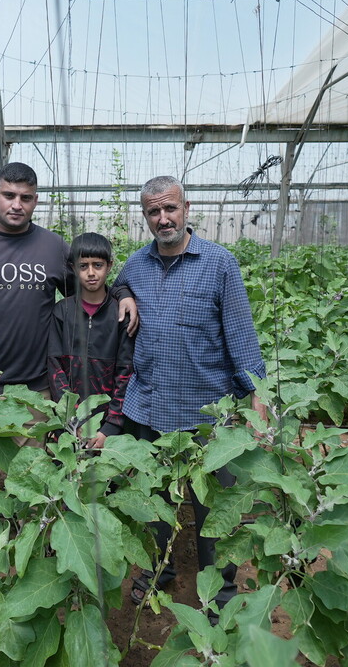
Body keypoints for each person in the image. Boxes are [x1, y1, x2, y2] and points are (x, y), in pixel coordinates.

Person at [115, 175, 267, 620]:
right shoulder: (136, 265)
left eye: (170, 209)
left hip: (208, 414)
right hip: (150, 406)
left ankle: (219, 594)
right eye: (153, 212)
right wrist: (124, 294)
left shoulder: (220, 264)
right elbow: (115, 286)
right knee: (154, 501)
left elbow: (242, 337)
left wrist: (257, 406)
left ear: (186, 209)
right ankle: (157, 572)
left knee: (213, 510)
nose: (163, 218)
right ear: (145, 217)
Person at [0, 162, 136, 409]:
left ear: (36, 200)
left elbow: (91, 290)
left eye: (26, 198)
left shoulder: (53, 247)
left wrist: (122, 293)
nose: (17, 205)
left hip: (38, 393)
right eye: (9, 195)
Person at [46, 232, 133, 449]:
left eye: (98, 265)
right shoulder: (62, 311)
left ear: (109, 266)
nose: (91, 273)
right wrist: (71, 418)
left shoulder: (120, 314)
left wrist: (110, 426)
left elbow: (125, 372)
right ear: (73, 268)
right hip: (69, 425)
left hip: (107, 427)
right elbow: (56, 369)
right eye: (83, 266)